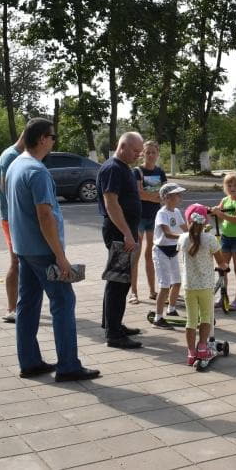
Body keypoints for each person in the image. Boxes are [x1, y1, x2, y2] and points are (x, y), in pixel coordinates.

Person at [5, 118, 99, 382]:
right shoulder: (37, 171)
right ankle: (68, 366)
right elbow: (44, 216)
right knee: (64, 302)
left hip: (24, 248)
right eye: (53, 136)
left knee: (27, 304)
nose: (54, 141)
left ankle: (30, 362)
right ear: (42, 139)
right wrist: (60, 257)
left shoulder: (16, 165)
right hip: (43, 250)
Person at [96, 132, 144, 349]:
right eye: (135, 151)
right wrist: (126, 233)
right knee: (118, 282)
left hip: (125, 231)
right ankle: (114, 334)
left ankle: (112, 323)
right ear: (122, 146)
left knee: (120, 281)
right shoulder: (113, 168)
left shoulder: (123, 167)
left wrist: (133, 231)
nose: (138, 155)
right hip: (118, 232)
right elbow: (111, 204)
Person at [181, 211, 225, 365]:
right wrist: (224, 266)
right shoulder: (210, 239)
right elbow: (221, 261)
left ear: (189, 223)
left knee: (191, 320)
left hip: (189, 286)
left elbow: (180, 249)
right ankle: (202, 347)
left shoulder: (183, 238)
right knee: (206, 317)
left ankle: (190, 353)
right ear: (204, 224)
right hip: (206, 285)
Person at [208, 172, 236, 310]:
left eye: (235, 185)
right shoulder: (225, 200)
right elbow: (218, 216)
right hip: (225, 238)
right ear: (225, 187)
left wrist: (220, 213)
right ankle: (223, 297)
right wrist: (213, 212)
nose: (232, 188)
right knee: (223, 269)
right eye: (229, 185)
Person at [132, 140, 167, 304]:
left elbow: (165, 194)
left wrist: (153, 196)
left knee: (151, 254)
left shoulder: (160, 172)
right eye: (148, 152)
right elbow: (139, 193)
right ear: (142, 154)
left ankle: (152, 291)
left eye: (154, 152)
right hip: (139, 217)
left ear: (158, 153)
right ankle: (133, 293)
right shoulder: (137, 171)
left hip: (155, 217)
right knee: (135, 254)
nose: (151, 155)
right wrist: (155, 197)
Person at [0, 129, 25, 323]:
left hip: (13, 218)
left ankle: (20, 306)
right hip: (13, 219)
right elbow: (9, 191)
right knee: (16, 263)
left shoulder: (10, 154)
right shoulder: (12, 157)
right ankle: (12, 309)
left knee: (20, 263)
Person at [151, 182, 187, 328]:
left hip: (173, 251)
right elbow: (167, 233)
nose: (180, 197)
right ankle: (158, 318)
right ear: (166, 197)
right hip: (161, 251)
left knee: (177, 282)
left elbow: (185, 228)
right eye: (176, 194)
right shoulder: (162, 213)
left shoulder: (176, 211)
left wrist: (197, 232)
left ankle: (171, 310)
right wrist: (185, 237)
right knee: (164, 286)